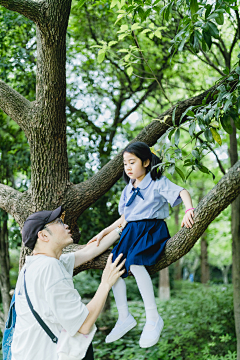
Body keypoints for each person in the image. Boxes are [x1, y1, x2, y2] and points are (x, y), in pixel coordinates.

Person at [88, 141, 195, 348]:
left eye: (132, 162)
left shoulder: (157, 182)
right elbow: (124, 219)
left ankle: (153, 318)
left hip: (151, 230)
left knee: (136, 263)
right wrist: (103, 232)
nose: (127, 167)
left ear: (146, 162)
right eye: (125, 163)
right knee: (113, 265)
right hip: (131, 232)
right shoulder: (128, 188)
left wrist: (189, 210)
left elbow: (182, 192)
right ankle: (124, 317)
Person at [10, 206, 126, 360]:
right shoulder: (49, 267)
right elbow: (83, 325)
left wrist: (121, 226)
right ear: (43, 235)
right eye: (58, 222)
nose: (66, 225)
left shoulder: (34, 265)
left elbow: (88, 251)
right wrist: (106, 283)